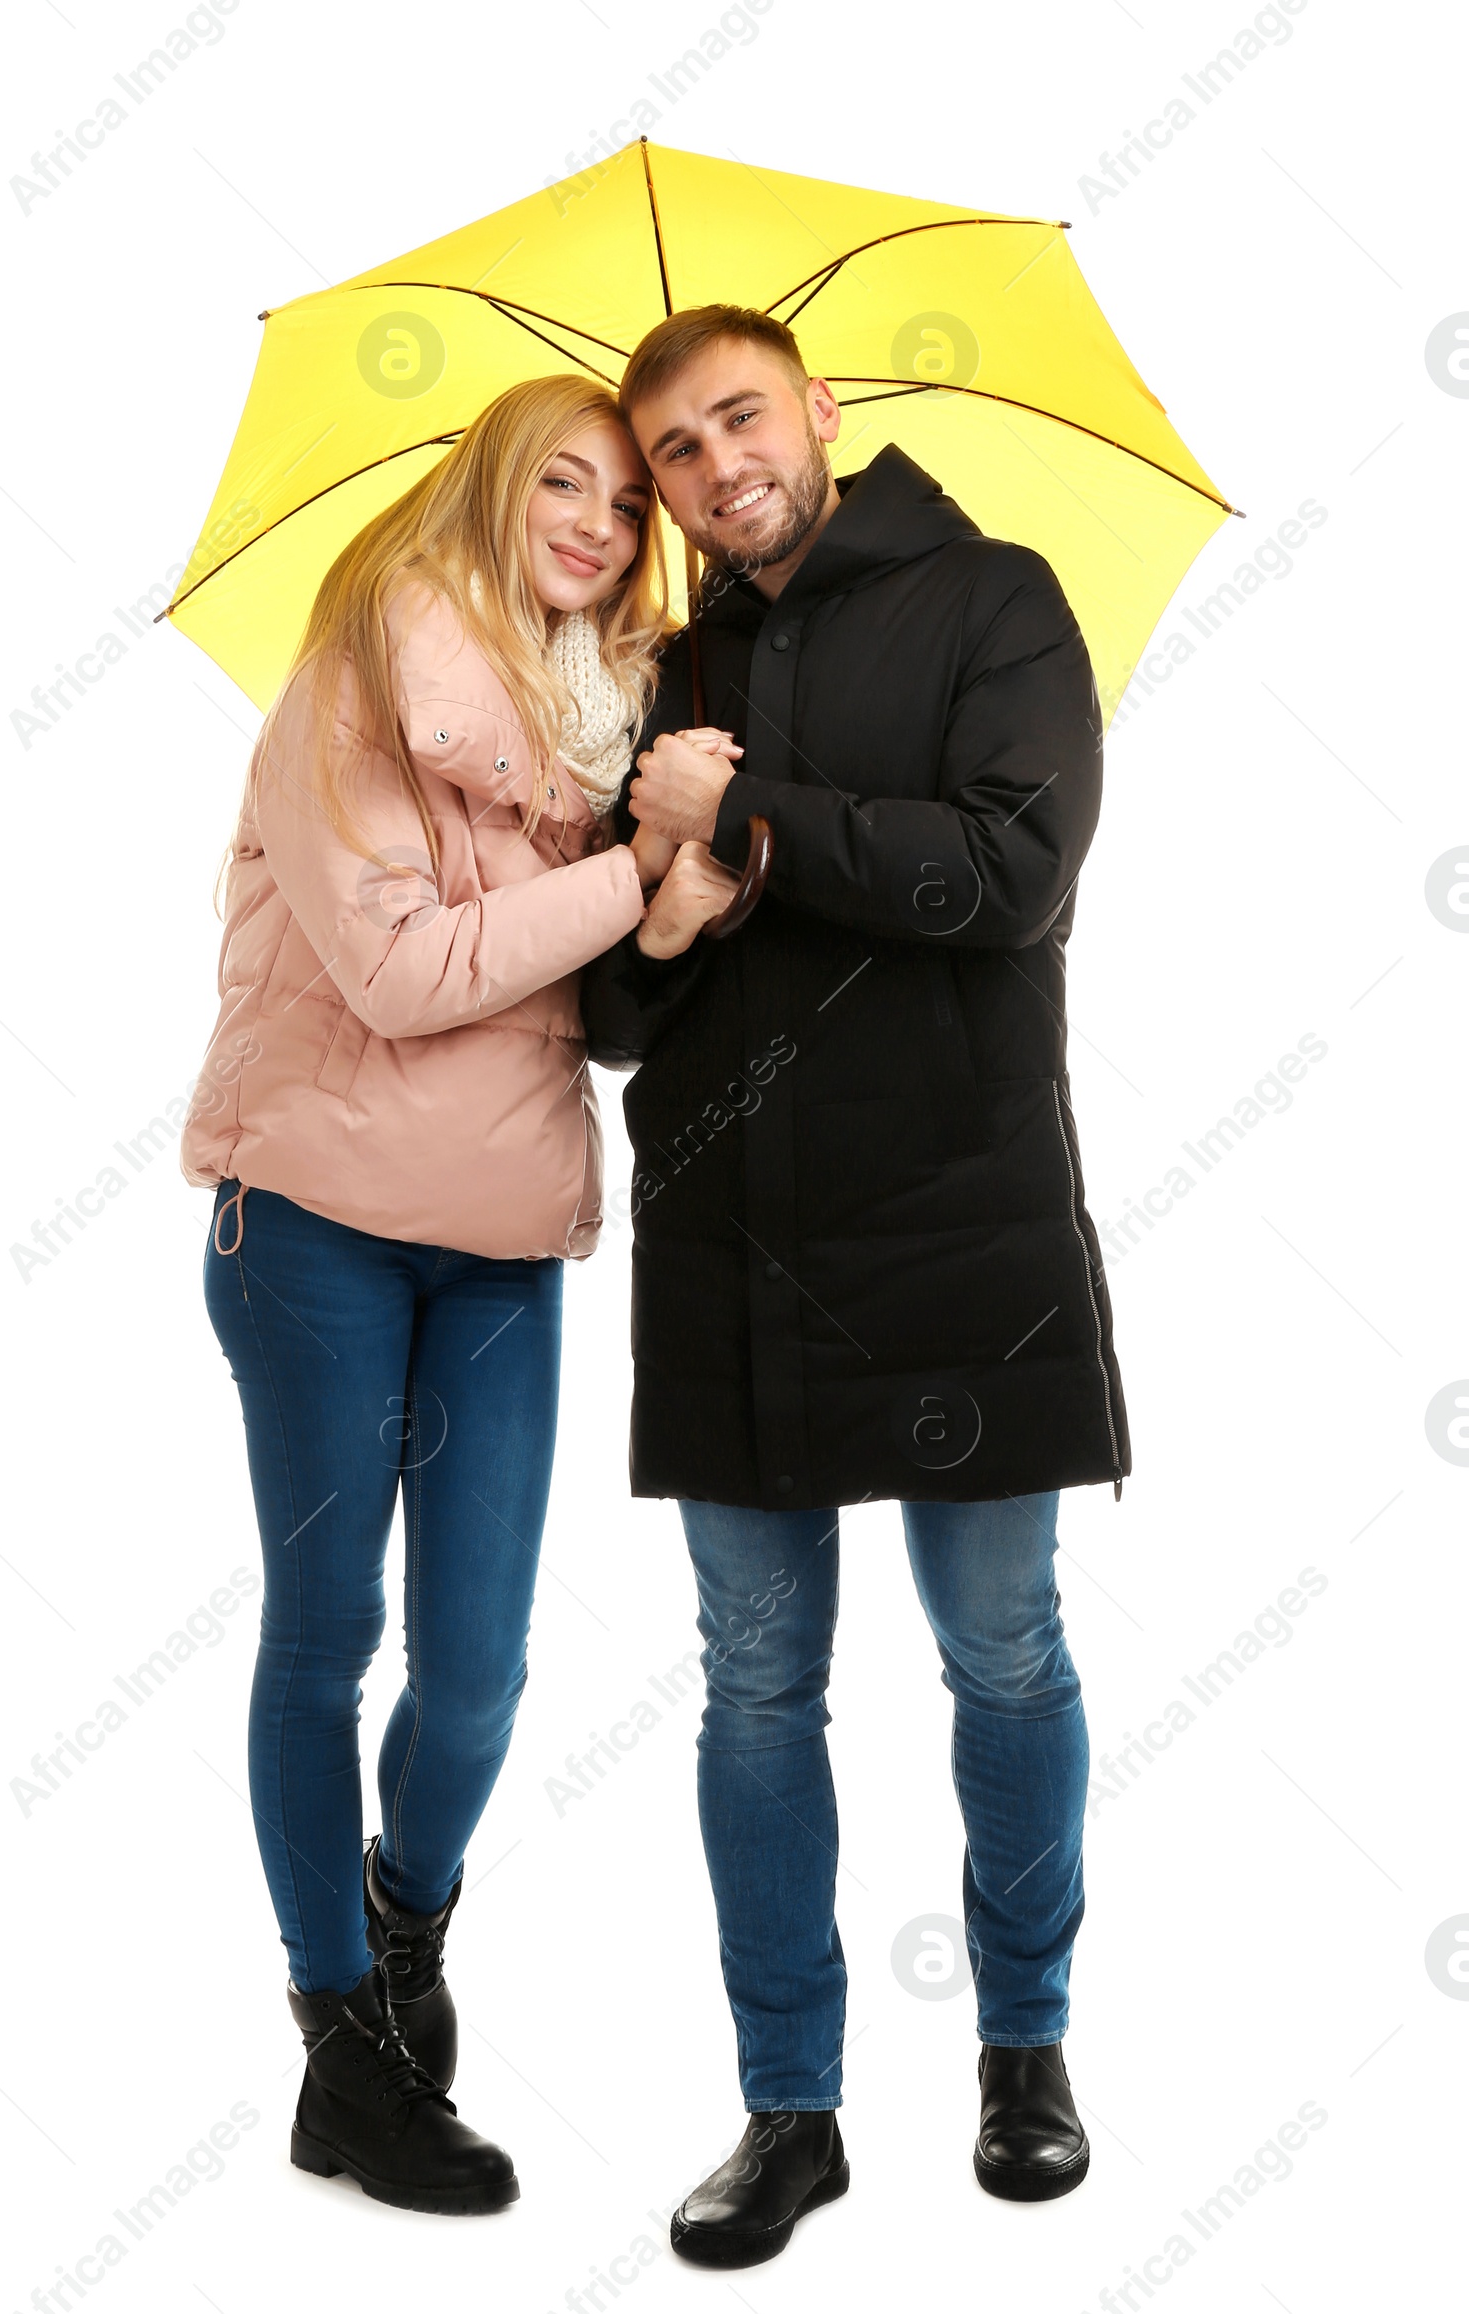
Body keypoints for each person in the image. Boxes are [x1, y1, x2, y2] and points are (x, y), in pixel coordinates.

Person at [583, 307, 1132, 2268]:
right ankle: (787, 2105)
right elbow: (613, 1013)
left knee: (999, 1652)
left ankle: (1023, 2046)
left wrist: (743, 816)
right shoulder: (652, 669)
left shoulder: (995, 596)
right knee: (751, 1681)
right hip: (731, 1240)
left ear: (817, 411)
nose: (713, 462)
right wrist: (664, 893)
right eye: (669, 449)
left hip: (957, 1220)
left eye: (737, 415)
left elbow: (1010, 872)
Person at [181, 373, 731, 2216]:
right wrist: (630, 884)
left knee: (480, 1667)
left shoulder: (611, 736)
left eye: (623, 500)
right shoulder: (360, 672)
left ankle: (406, 1927)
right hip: (317, 1225)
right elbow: (408, 970)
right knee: (327, 1635)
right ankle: (341, 2041)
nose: (597, 517)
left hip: (500, 1237)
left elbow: (604, 1013)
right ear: (489, 489)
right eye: (558, 479)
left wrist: (663, 894)